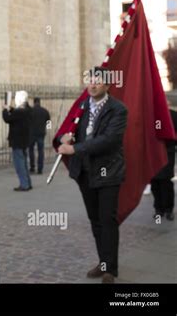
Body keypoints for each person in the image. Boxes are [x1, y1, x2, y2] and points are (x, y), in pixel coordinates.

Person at [57, 66, 127, 284]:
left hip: (108, 172)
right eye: (90, 80)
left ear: (107, 85)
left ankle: (110, 270)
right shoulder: (81, 106)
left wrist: (76, 149)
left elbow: (109, 140)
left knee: (107, 220)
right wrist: (63, 138)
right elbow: (65, 130)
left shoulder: (118, 109)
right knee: (95, 220)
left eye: (97, 81)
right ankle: (103, 261)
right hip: (85, 173)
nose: (93, 84)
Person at [151, 107, 177, 221]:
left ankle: (168, 209)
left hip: (167, 151)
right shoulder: (149, 115)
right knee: (155, 182)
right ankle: (158, 209)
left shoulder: (173, 114)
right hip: (153, 153)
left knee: (166, 182)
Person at [2, 90, 32, 191]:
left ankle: (24, 185)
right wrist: (10, 108)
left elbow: (7, 119)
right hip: (24, 141)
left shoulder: (19, 111)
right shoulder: (27, 110)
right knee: (24, 163)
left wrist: (5, 109)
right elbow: (16, 113)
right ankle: (28, 183)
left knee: (19, 164)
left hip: (17, 141)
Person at [29, 97, 50, 174]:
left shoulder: (30, 111)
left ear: (34, 102)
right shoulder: (45, 111)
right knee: (40, 151)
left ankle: (32, 167)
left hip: (31, 134)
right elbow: (48, 122)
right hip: (41, 133)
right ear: (39, 102)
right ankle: (40, 169)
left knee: (31, 150)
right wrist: (47, 129)